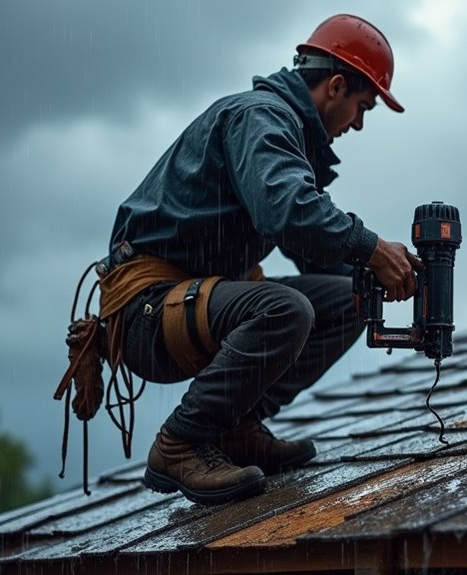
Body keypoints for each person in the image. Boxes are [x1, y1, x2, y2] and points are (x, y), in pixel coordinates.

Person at [96, 14, 419, 505]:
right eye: (362, 107)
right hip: (148, 311)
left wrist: (376, 276)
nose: (358, 123)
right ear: (335, 86)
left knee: (351, 298)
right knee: (287, 309)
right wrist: (372, 248)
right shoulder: (262, 118)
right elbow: (288, 212)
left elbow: (310, 252)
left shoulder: (286, 137)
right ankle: (183, 441)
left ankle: (233, 427)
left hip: (188, 303)